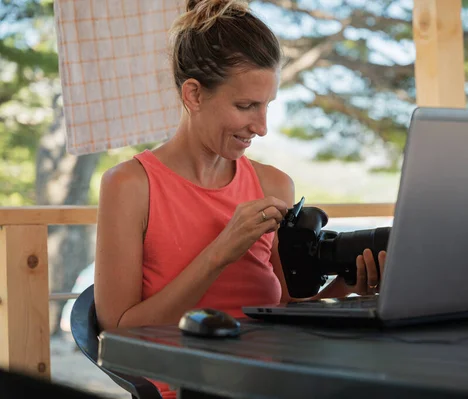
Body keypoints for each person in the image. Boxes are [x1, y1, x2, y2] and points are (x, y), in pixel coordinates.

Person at [94, 0, 386, 395]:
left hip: (273, 383)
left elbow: (282, 312)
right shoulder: (130, 186)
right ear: (194, 95)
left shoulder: (273, 186)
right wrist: (219, 253)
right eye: (246, 106)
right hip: (186, 388)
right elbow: (120, 330)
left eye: (266, 106)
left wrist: (347, 288)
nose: (262, 127)